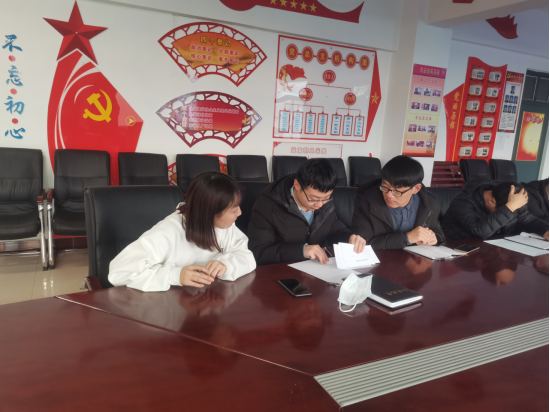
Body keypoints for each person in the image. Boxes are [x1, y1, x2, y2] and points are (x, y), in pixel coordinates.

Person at [108, 172, 256, 292]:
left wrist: (227, 264)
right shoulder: (166, 232)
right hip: (171, 307)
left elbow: (246, 256)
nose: (240, 213)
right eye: (234, 209)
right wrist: (175, 275)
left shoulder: (225, 226)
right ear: (210, 212)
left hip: (210, 300)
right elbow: (120, 273)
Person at [248, 158, 366, 266]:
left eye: (326, 198)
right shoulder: (266, 207)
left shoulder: (325, 204)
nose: (319, 205)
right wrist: (301, 251)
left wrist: (351, 238)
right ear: (297, 185)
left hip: (318, 269)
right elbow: (259, 252)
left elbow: (337, 230)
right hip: (283, 272)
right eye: (313, 199)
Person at [351, 155, 445, 250]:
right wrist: (407, 238)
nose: (389, 195)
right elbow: (365, 245)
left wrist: (434, 238)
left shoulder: (428, 204)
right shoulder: (366, 202)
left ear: (416, 188)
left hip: (416, 258)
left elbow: (439, 233)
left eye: (397, 191)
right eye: (385, 187)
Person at [442, 180, 549, 240]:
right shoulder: (462, 202)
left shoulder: (505, 194)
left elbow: (529, 219)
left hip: (492, 251)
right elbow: (479, 230)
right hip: (459, 251)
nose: (512, 211)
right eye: (510, 208)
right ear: (492, 201)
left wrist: (545, 229)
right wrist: (510, 207)